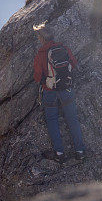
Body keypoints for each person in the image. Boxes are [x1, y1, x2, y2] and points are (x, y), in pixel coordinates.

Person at [32, 22, 85, 163]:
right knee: (72, 119)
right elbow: (73, 64)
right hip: (66, 88)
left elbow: (37, 77)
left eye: (38, 36)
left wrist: (45, 80)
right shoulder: (63, 48)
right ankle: (80, 151)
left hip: (50, 91)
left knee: (52, 121)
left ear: (42, 38)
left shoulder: (41, 54)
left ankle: (60, 153)